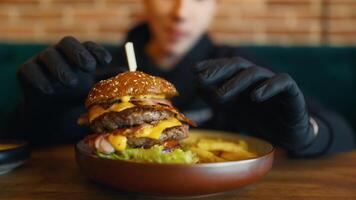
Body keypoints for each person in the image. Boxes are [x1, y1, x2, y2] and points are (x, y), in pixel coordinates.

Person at [5, 0, 355, 157]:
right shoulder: (93, 70)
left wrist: (304, 132)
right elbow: (22, 143)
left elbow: (342, 132)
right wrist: (40, 112)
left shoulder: (243, 68)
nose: (181, 12)